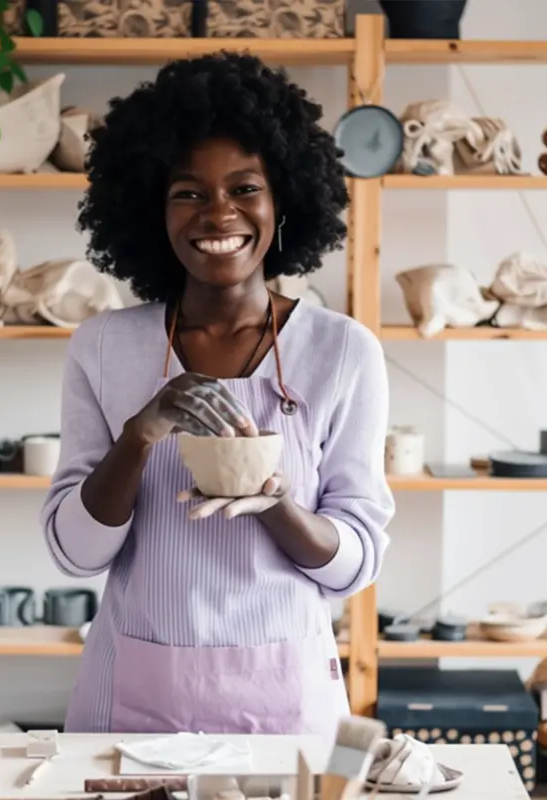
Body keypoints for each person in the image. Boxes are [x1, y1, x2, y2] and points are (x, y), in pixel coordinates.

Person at [40, 52, 394, 736]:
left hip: (287, 699)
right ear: (153, 209)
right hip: (135, 699)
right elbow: (75, 553)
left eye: (244, 189)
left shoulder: (342, 351)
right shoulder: (105, 347)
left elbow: (355, 564)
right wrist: (140, 435)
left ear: (283, 198)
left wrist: (275, 503)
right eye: (189, 192)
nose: (218, 214)